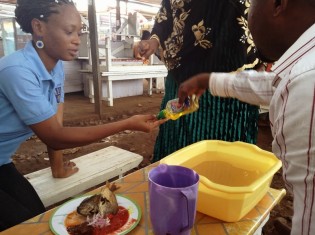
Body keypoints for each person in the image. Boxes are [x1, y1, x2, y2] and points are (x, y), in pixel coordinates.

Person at [0, 0, 163, 231]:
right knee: (24, 226)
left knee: (36, 217)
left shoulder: (55, 67)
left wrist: (58, 168)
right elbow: (55, 136)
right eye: (69, 31)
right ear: (39, 27)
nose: (77, 39)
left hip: (2, 161)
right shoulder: (17, 71)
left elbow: (56, 123)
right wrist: (126, 124)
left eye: (79, 31)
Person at [177, 0, 315, 234]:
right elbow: (273, 85)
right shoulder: (302, 71)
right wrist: (207, 80)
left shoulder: (307, 84)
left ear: (278, 4)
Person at [135, 0, 263, 162]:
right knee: (179, 151)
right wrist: (153, 40)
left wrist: (263, 57)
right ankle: (176, 184)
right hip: (184, 75)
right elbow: (166, 14)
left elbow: (261, 14)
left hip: (235, 79)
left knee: (226, 157)